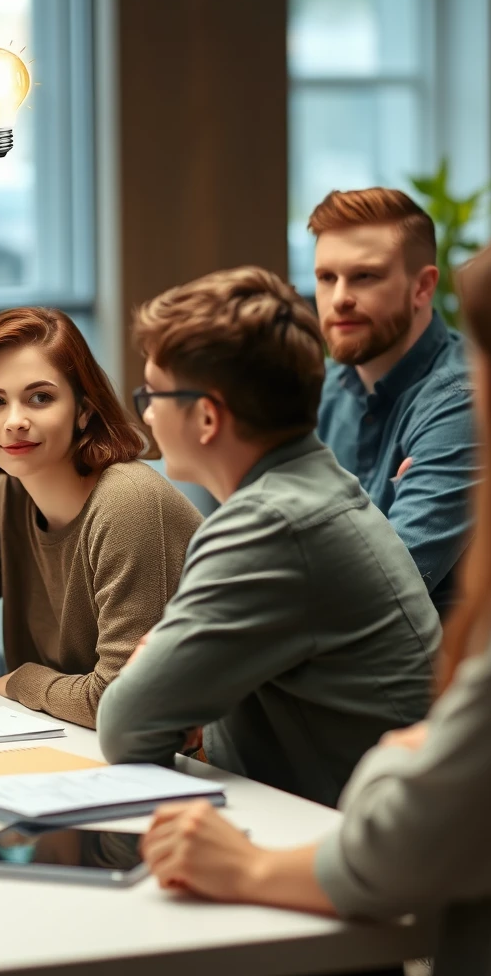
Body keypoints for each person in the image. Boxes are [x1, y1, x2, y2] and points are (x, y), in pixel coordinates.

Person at [139, 219, 491, 976]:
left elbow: (408, 836)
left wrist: (398, 758)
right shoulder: (332, 405)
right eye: (326, 277)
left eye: (487, 357)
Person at [96, 267, 440, 808]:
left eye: (154, 395)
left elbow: (124, 728)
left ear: (206, 417)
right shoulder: (315, 486)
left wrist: (160, 665)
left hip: (345, 836)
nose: (149, 414)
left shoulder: (268, 523)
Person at [0, 307, 202, 727]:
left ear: (83, 409)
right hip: (75, 742)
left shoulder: (128, 502)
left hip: (196, 760)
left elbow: (124, 702)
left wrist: (20, 682)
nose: (15, 421)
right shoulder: (6, 500)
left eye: (40, 398)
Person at [312, 188, 479, 615]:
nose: (339, 298)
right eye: (326, 277)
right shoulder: (317, 389)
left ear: (423, 287)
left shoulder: (462, 402)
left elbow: (379, 591)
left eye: (364, 276)